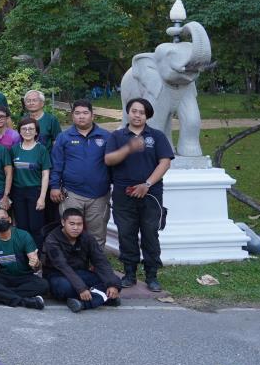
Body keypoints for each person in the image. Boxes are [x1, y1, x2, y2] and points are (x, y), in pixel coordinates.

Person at [104, 97, 173, 291]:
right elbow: (109, 160)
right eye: (134, 111)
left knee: (150, 233)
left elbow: (165, 162)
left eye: (142, 112)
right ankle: (129, 273)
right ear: (128, 113)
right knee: (126, 233)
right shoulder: (117, 136)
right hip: (123, 193)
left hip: (150, 193)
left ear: (147, 116)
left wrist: (147, 184)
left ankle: (152, 275)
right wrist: (129, 148)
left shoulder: (156, 136)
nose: (137, 115)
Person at [50, 100, 113, 242]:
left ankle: (95, 257)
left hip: (99, 195)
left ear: (92, 115)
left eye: (85, 113)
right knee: (70, 233)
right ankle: (70, 257)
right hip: (71, 193)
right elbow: (56, 164)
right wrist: (54, 186)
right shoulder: (64, 137)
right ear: (72, 116)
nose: (81, 116)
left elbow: (113, 164)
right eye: (77, 113)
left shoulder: (106, 136)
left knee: (97, 235)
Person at [42, 207, 122, 312]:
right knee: (65, 287)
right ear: (63, 222)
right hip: (57, 275)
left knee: (115, 280)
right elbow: (63, 266)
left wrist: (112, 285)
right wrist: (81, 288)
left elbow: (100, 261)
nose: (76, 228)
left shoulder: (87, 238)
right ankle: (105, 298)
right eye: (72, 224)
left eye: (79, 224)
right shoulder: (52, 239)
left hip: (80, 273)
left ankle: (84, 303)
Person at [0, 206, 48, 310]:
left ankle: (0, 296)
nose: (0, 221)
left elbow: (36, 267)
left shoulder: (23, 235)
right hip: (2, 277)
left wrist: (36, 263)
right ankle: (24, 301)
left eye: (3, 218)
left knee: (43, 285)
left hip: (24, 277)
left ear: (9, 219)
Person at [10, 117, 51, 244]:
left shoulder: (41, 149)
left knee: (36, 226)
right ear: (19, 131)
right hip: (18, 192)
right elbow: (10, 172)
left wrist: (42, 198)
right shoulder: (14, 149)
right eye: (24, 129)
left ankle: (37, 253)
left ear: (36, 132)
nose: (27, 131)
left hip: (35, 191)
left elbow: (45, 174)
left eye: (31, 129)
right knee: (22, 226)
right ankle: (24, 252)